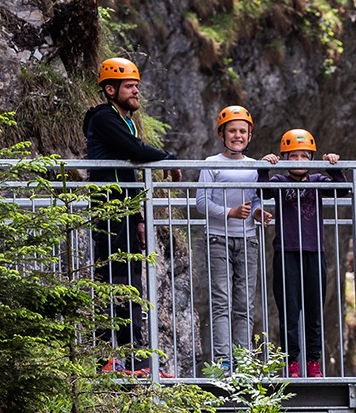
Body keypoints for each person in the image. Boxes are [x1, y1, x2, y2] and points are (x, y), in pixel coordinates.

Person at [82, 57, 176, 371]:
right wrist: (168, 157)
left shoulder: (127, 121)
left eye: (137, 85)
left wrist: (138, 219)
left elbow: (131, 175)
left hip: (123, 210)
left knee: (131, 284)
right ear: (110, 89)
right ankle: (104, 357)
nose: (136, 91)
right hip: (107, 209)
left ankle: (134, 358)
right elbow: (135, 152)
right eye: (130, 86)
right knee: (113, 280)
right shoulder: (103, 117)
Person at [194, 106, 269, 373]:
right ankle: (224, 360)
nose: (237, 135)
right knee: (222, 300)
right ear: (222, 133)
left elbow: (256, 197)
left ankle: (245, 360)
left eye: (242, 131)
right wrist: (231, 213)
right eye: (232, 130)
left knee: (244, 303)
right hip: (218, 240)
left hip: (248, 240)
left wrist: (258, 212)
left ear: (249, 136)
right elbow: (202, 203)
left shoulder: (255, 167)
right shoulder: (211, 164)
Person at [262, 129, 341, 377]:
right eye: (292, 156)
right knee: (289, 309)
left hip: (315, 251)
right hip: (285, 252)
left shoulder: (318, 180)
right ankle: (292, 361)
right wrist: (264, 168)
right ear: (284, 158)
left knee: (314, 309)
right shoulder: (279, 181)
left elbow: (342, 189)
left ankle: (313, 361)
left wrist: (334, 166)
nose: (298, 161)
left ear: (312, 158)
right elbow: (262, 191)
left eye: (304, 156)